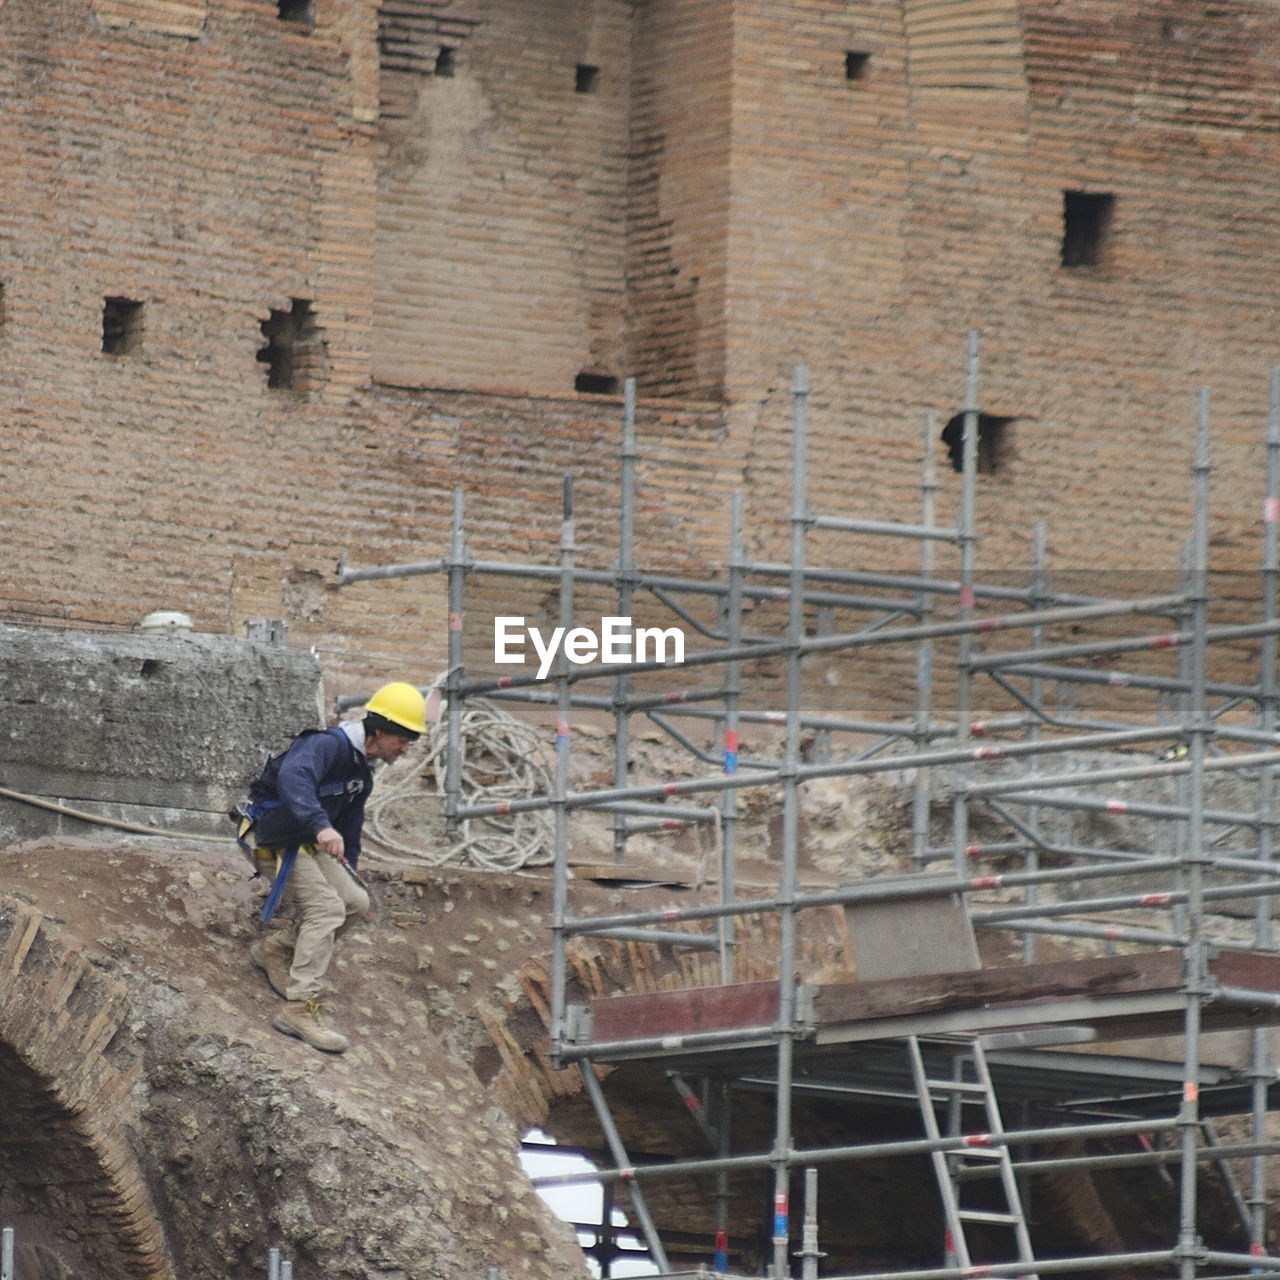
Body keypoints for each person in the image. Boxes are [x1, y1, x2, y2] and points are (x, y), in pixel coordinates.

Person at [237, 681, 428, 1052]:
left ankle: (276, 949)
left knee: (355, 903)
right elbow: (295, 779)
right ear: (379, 729)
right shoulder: (325, 745)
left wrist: (348, 867)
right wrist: (321, 826)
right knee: (325, 908)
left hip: (305, 841)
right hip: (268, 838)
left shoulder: (363, 774)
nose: (406, 749)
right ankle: (298, 1008)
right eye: (403, 739)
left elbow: (350, 831)